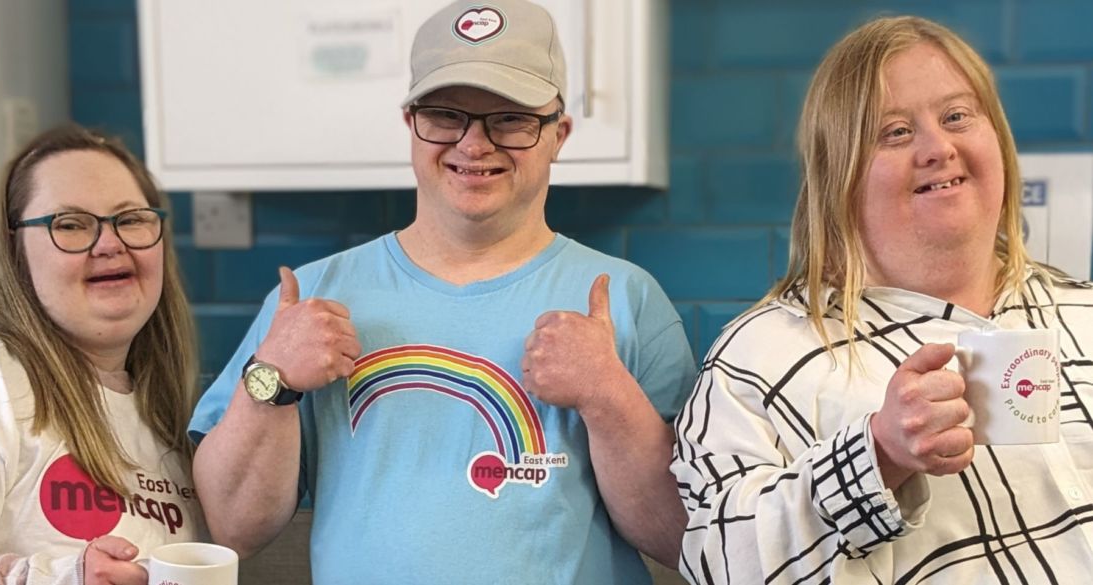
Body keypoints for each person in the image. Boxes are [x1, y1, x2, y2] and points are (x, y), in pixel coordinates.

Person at [189, 0, 695, 583]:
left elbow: (682, 539)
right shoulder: (311, 298)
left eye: (510, 118)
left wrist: (608, 398)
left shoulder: (626, 300)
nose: (473, 144)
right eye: (446, 115)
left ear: (558, 135)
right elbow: (232, 528)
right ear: (410, 125)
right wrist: (271, 379)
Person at [671, 14, 1093, 584]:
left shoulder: (1081, 308)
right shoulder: (759, 357)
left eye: (956, 116)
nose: (937, 147)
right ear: (836, 173)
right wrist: (879, 454)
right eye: (895, 131)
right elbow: (715, 563)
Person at [0, 125, 203, 585]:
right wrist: (67, 578)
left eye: (131, 219)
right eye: (70, 225)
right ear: (18, 253)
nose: (110, 244)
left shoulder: (167, 419)